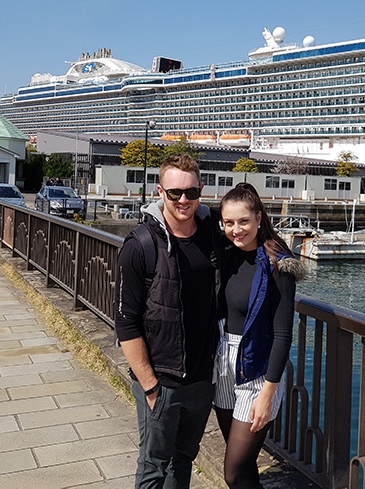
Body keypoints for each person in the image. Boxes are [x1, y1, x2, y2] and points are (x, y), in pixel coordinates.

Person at [114, 154, 229, 488]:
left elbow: (251, 236)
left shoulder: (213, 234)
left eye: (191, 193)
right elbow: (125, 321)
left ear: (201, 191)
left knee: (182, 464)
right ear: (160, 191)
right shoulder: (141, 245)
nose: (184, 200)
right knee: (153, 467)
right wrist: (149, 386)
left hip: (201, 379)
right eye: (175, 192)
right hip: (161, 382)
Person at [214, 182, 305, 488]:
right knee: (243, 465)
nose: (236, 230)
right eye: (228, 222)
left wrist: (268, 394)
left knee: (234, 471)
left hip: (257, 369)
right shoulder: (226, 254)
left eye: (243, 222)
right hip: (224, 363)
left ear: (258, 218)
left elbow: (283, 334)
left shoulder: (278, 263)